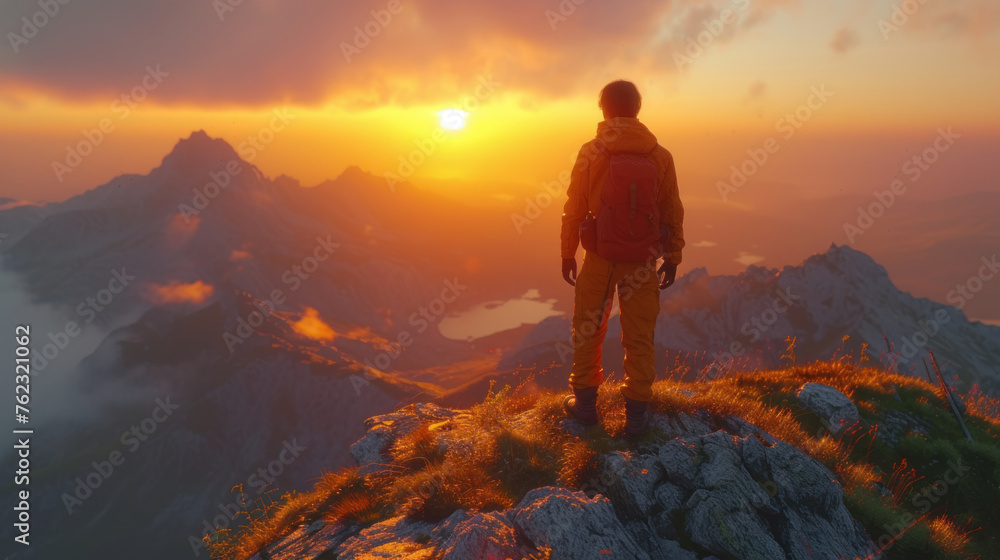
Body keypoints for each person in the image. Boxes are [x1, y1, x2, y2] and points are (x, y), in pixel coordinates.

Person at [560, 80, 685, 438]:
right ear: (638, 109)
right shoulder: (660, 155)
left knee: (588, 329)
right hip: (642, 261)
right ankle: (636, 419)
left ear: (603, 109)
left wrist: (568, 251)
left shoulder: (590, 151)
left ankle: (585, 409)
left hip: (599, 256)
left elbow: (574, 207)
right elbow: (671, 210)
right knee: (639, 336)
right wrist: (673, 255)